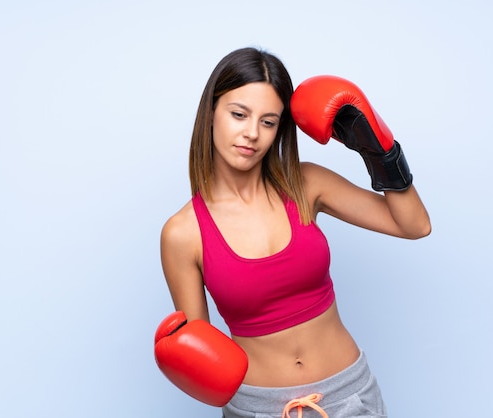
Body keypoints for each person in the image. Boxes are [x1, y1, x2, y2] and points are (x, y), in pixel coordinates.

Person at [158, 47, 431, 418]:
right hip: (257, 409)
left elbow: (414, 224)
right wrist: (181, 357)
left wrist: (379, 153)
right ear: (210, 113)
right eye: (239, 114)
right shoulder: (183, 233)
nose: (251, 133)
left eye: (268, 122)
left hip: (349, 396)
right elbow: (202, 358)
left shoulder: (305, 183)